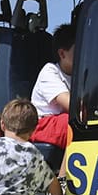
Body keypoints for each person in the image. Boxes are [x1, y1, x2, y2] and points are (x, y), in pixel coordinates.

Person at [29, 23, 74, 151]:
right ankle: (64, 171)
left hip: (61, 122)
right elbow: (71, 105)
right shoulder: (50, 71)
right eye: (79, 50)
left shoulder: (81, 75)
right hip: (43, 124)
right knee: (73, 124)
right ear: (62, 54)